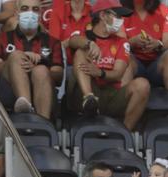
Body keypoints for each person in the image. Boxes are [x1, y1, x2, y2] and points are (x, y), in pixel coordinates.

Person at [64, 0, 150, 131]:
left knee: (143, 85)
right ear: (103, 15)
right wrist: (90, 44)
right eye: (117, 16)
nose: (121, 20)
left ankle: (124, 133)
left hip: (111, 94)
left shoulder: (122, 42)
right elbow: (72, 41)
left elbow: (118, 74)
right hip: (84, 92)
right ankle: (89, 99)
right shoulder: (84, 35)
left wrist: (99, 72)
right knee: (81, 52)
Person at [0, 0, 63, 118]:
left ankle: (43, 124)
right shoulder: (1, 38)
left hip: (44, 93)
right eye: (25, 8)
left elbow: (59, 77)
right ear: (16, 13)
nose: (30, 13)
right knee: (16, 56)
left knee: (41, 70)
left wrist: (37, 65)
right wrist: (16, 58)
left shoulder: (52, 42)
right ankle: (25, 108)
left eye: (35, 9)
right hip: (8, 93)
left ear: (41, 13)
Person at [124, 0, 168, 98]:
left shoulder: (164, 10)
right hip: (134, 62)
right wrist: (132, 42)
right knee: (124, 58)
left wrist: (158, 44)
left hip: (157, 64)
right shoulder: (120, 11)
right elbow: (115, 44)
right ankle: (120, 106)